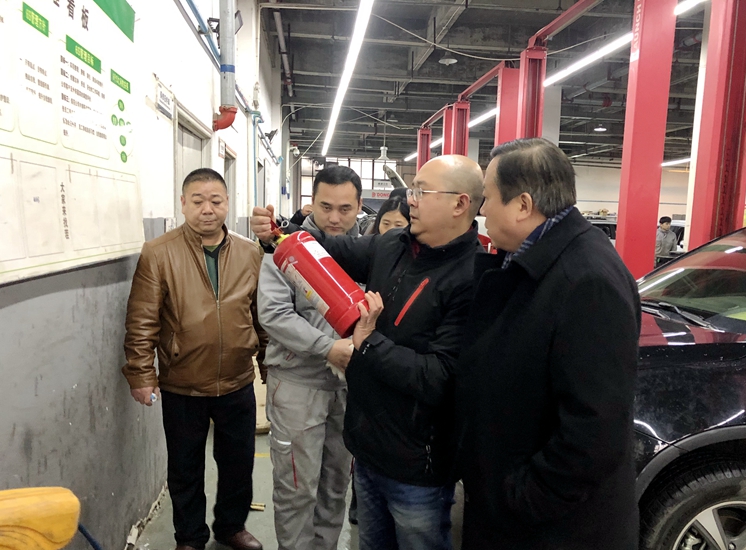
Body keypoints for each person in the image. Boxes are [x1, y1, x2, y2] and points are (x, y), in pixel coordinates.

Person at [252, 154, 485, 550]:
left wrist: (367, 343)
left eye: (421, 192)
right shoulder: (394, 245)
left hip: (417, 459)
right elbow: (324, 250)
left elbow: (439, 376)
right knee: (309, 498)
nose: (410, 200)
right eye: (412, 191)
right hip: (367, 441)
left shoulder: (473, 276)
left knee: (390, 524)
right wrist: (278, 234)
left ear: (460, 204)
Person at [453, 138, 641, 550]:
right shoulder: (535, 260)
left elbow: (595, 432)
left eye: (488, 198)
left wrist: (521, 498)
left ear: (523, 205)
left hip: (550, 530)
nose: (481, 211)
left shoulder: (587, 281)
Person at [122, 168, 267, 550]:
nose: (207, 209)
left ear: (227, 203)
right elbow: (142, 318)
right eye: (198, 201)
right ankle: (189, 537)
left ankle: (231, 527)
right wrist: (141, 374)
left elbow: (261, 315)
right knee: (185, 467)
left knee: (239, 463)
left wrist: (268, 364)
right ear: (183, 203)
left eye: (216, 201)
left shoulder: (250, 252)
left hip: (237, 380)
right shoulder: (159, 252)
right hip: (182, 382)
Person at [257, 165, 362, 550]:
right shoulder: (285, 251)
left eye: (345, 209)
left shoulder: (368, 254)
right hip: (298, 385)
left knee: (335, 486)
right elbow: (274, 314)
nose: (334, 218)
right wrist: (327, 347)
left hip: (349, 390)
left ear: (359, 207)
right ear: (311, 203)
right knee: (297, 490)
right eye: (326, 207)